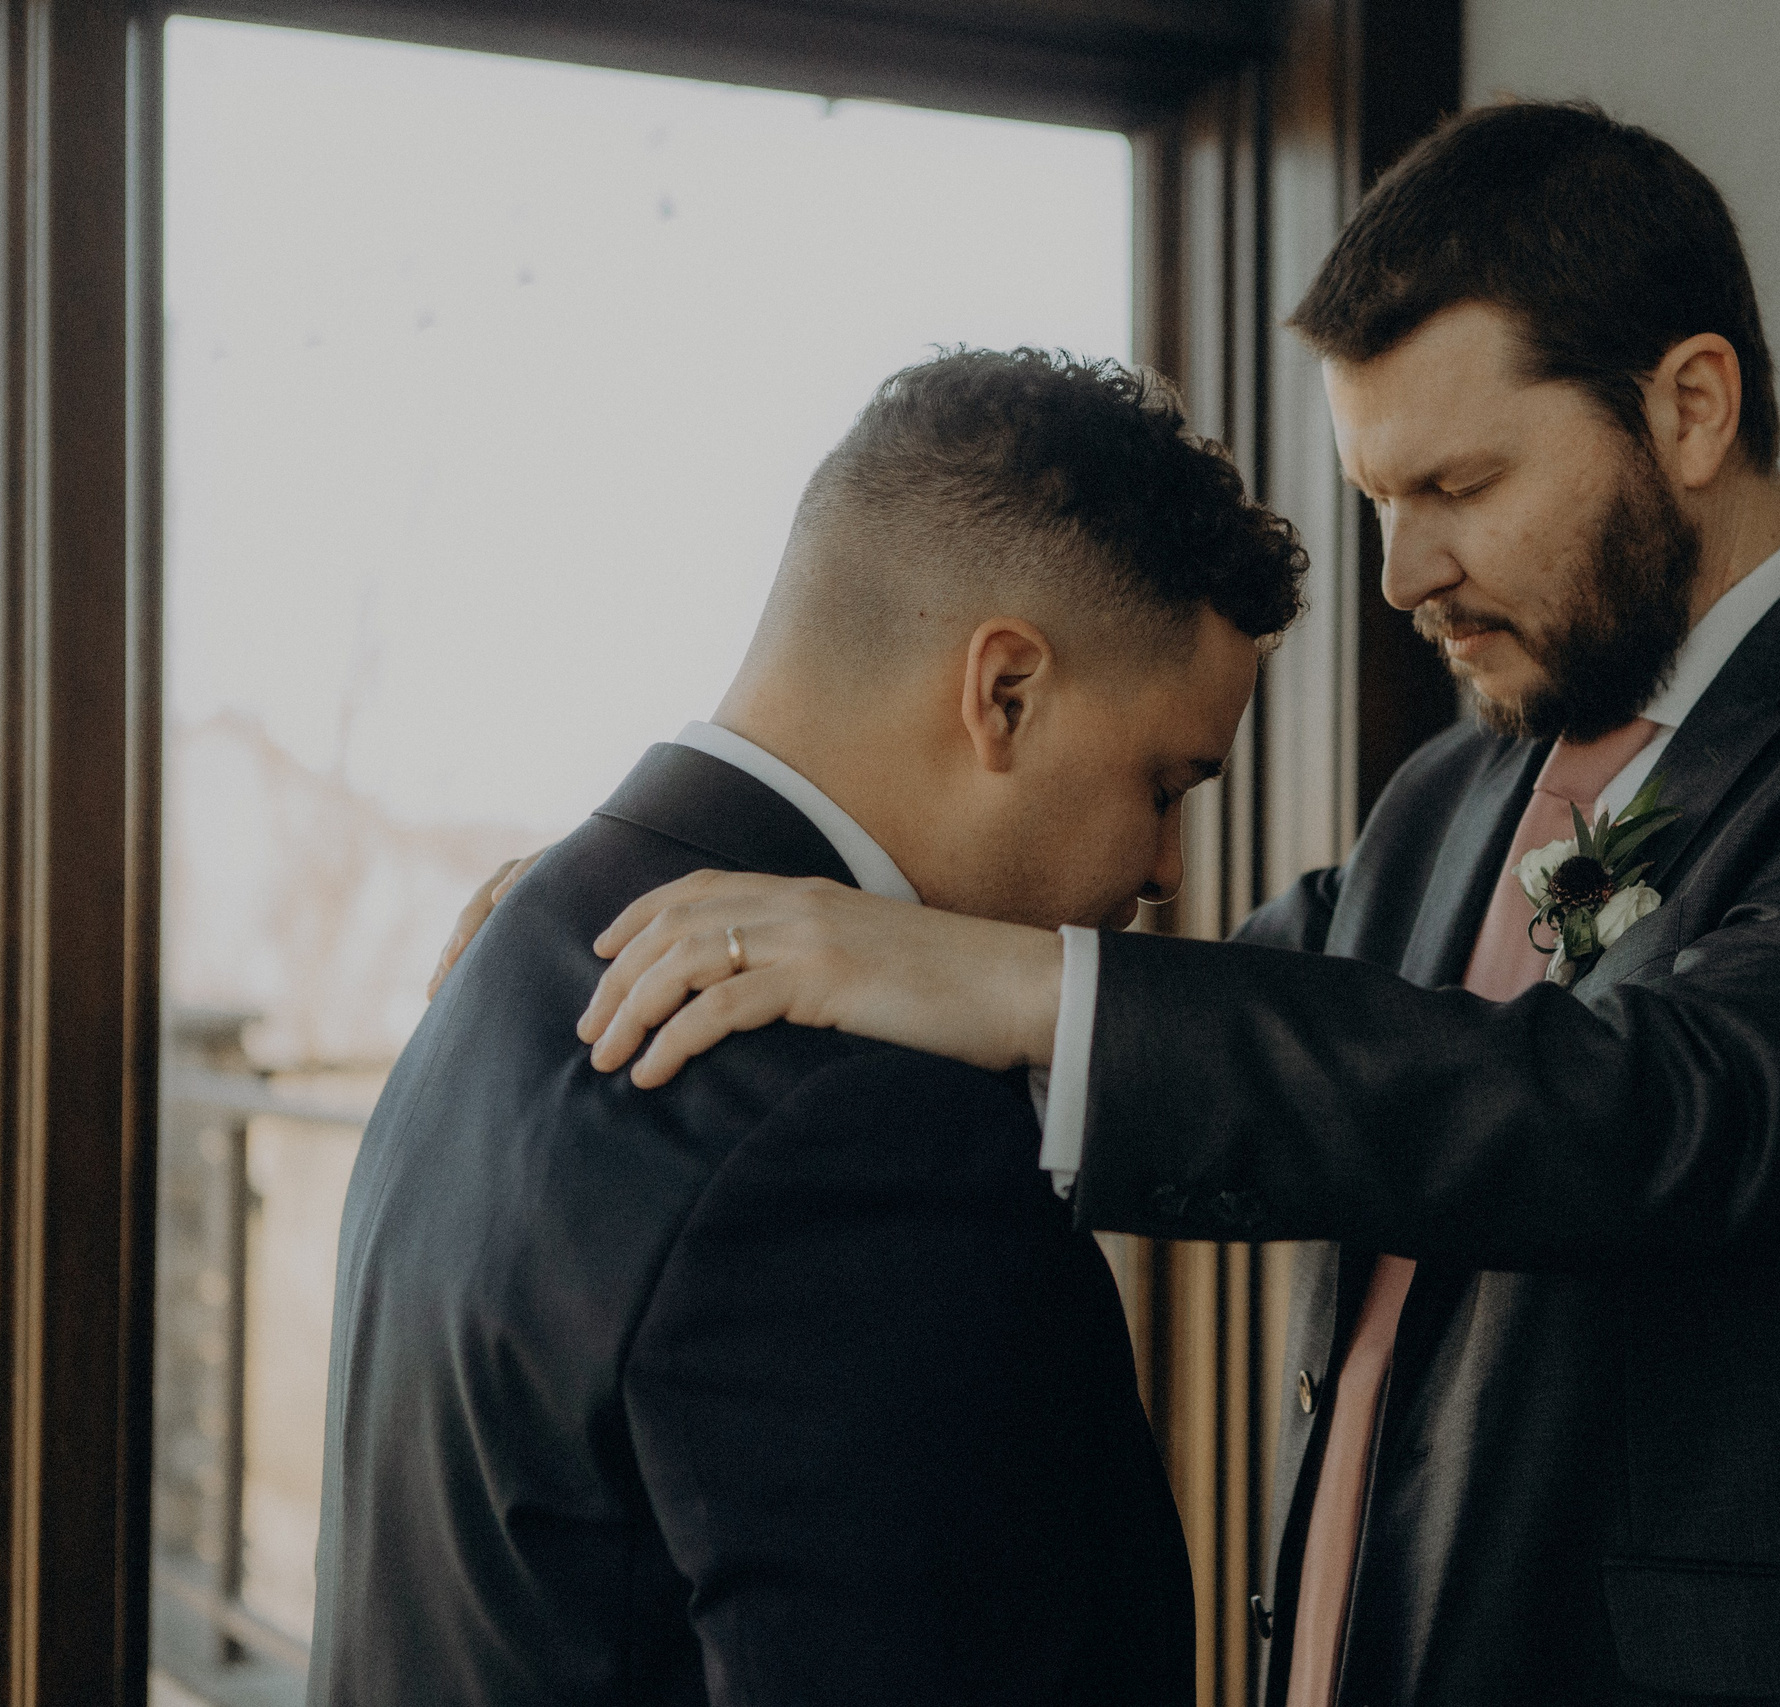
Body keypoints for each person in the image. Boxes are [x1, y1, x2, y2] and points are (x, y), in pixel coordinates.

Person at [456, 103, 1780, 1706]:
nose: (1404, 575)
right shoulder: (1454, 794)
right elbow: (1268, 1046)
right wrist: (695, 903)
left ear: (1691, 408)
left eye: (1460, 489)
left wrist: (991, 977)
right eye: (1377, 503)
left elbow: (1674, 1108)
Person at [312, 348, 1309, 1705]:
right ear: (1003, 692)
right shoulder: (865, 1131)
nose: (1167, 873)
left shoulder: (517, 945)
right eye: (1166, 782)